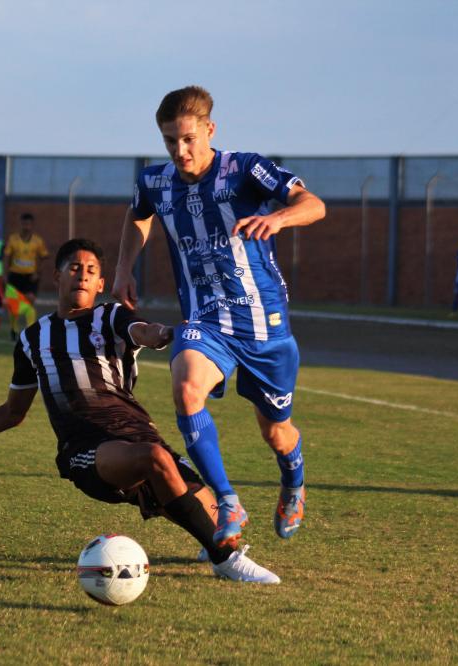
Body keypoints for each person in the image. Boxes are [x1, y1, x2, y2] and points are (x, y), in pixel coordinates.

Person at [0, 238, 280, 584]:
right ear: (57, 276)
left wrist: (168, 334)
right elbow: (13, 413)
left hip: (138, 435)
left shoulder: (111, 316)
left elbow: (143, 331)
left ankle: (208, 536)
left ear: (101, 285)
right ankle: (225, 560)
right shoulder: (32, 339)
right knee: (156, 463)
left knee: (217, 519)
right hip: (85, 451)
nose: (82, 275)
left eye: (92, 271)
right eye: (74, 268)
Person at [111, 86, 326, 549]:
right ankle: (227, 500)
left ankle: (294, 480)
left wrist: (279, 220)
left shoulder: (246, 168)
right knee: (186, 386)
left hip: (263, 325)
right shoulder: (154, 181)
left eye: (188, 138)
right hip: (204, 320)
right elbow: (137, 216)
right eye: (170, 141)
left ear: (210, 129)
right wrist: (123, 268)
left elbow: (314, 205)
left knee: (276, 432)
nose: (180, 150)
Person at [4, 212, 49, 306]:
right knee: (12, 301)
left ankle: (29, 319)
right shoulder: (13, 238)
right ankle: (14, 319)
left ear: (32, 225)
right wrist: (5, 272)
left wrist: (38, 273)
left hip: (30, 275)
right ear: (20, 224)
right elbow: (7, 256)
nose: (26, 227)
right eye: (24, 224)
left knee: (30, 298)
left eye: (28, 224)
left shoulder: (38, 240)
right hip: (15, 274)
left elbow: (43, 257)